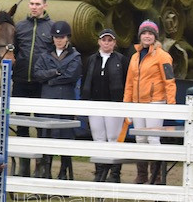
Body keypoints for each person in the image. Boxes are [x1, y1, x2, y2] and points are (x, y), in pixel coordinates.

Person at [123, 20, 177, 185]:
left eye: (150, 33)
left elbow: (169, 81)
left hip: (155, 102)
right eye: (144, 33)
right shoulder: (134, 56)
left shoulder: (163, 56)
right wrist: (127, 105)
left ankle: (157, 177)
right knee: (140, 138)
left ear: (155, 36)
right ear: (140, 36)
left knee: (153, 139)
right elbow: (130, 82)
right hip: (137, 103)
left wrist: (171, 105)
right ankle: (142, 175)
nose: (147, 36)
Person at [32, 20, 82, 180]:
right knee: (47, 135)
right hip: (48, 100)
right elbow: (37, 73)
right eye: (56, 37)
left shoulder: (75, 56)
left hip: (66, 99)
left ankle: (64, 171)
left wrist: (50, 79)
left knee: (66, 135)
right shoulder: (45, 55)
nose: (58, 40)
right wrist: (55, 72)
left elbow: (71, 75)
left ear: (67, 38)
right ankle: (46, 171)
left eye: (62, 37)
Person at [12, 0, 54, 176]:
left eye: (38, 4)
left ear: (45, 5)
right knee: (21, 125)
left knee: (41, 125)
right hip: (20, 81)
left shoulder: (52, 28)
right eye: (31, 4)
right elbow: (11, 51)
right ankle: (24, 164)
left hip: (41, 84)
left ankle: (42, 164)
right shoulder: (19, 27)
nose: (34, 7)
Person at [81, 28, 129, 183]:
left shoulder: (121, 60)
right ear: (99, 42)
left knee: (113, 138)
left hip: (114, 104)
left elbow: (127, 81)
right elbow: (85, 80)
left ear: (114, 43)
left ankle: (115, 173)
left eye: (110, 40)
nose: (106, 43)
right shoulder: (91, 59)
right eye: (104, 40)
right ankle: (99, 171)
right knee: (98, 137)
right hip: (95, 103)